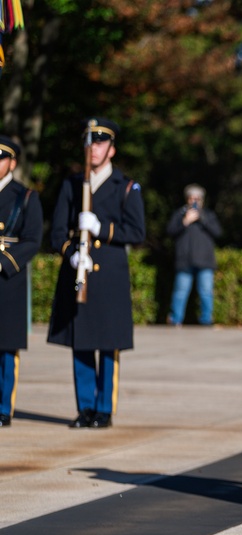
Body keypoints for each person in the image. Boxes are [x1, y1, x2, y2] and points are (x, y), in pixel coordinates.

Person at [47, 117, 145, 429]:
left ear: (111, 150)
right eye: (90, 142)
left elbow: (137, 231)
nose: (94, 148)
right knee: (83, 341)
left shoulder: (126, 186)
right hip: (80, 272)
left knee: (108, 342)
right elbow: (57, 232)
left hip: (110, 275)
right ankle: (85, 407)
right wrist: (72, 253)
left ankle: (104, 408)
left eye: (100, 142)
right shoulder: (72, 184)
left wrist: (102, 228)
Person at [0, 136, 43, 427]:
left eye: (1, 158)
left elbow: (31, 240)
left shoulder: (25, 196)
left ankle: (3, 407)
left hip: (7, 278)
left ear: (13, 163)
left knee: (5, 347)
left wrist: (4, 262)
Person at [166, 184, 222, 326]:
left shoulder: (208, 215)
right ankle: (176, 319)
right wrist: (185, 221)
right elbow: (170, 231)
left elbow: (218, 232)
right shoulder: (179, 214)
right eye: (191, 198)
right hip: (184, 261)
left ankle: (206, 319)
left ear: (202, 200)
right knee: (180, 292)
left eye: (197, 198)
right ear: (187, 199)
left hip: (205, 261)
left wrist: (202, 219)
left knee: (206, 291)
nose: (194, 201)